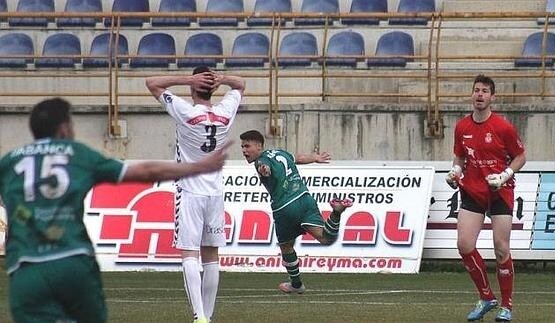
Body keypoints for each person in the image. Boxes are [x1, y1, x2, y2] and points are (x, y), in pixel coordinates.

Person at [0, 98, 232, 323]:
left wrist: (18, 214)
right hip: (73, 262)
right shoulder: (78, 154)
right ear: (63, 128)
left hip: (26, 269)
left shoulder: (9, 162)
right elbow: (145, 172)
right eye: (71, 123)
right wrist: (199, 167)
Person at [146, 67, 245, 323]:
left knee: (189, 254)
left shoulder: (186, 112)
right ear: (214, 89)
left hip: (190, 190)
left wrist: (187, 79)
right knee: (211, 255)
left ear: (193, 87)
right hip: (215, 192)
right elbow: (240, 85)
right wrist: (222, 80)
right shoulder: (225, 112)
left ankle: (199, 316)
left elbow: (152, 82)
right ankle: (207, 317)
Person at [445, 74, 526, 322]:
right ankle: (486, 297)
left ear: (492, 97)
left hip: (500, 191)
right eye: (476, 90)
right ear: (472, 95)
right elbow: (460, 157)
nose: (480, 95)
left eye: (485, 91)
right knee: (464, 245)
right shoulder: (462, 127)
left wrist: (504, 175)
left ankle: (507, 306)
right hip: (472, 190)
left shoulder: (503, 127)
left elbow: (521, 156)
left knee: (501, 249)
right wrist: (455, 171)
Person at [239, 130, 353, 294]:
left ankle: (297, 285)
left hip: (285, 207)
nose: (244, 150)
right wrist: (315, 158)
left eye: (247, 146)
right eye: (242, 146)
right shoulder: (280, 152)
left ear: (259, 146)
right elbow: (298, 158)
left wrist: (265, 170)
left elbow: (265, 168)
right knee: (325, 238)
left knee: (286, 246)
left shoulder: (261, 161)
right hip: (305, 198)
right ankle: (336, 213)